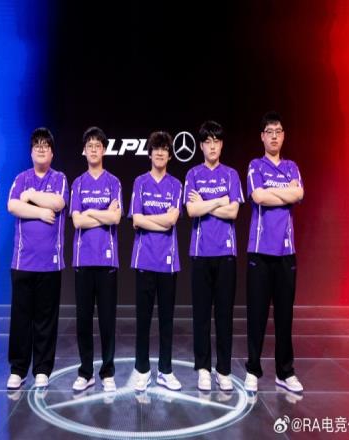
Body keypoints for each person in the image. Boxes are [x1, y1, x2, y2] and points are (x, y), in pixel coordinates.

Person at [243, 111, 304, 394]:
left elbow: (299, 194)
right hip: (259, 251)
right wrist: (285, 193)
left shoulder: (292, 167)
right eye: (270, 132)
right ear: (262, 137)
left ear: (284, 135)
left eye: (278, 131)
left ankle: (285, 372)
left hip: (286, 252)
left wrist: (274, 193)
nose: (274, 136)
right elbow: (258, 196)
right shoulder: (255, 165)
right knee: (256, 315)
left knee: (284, 315)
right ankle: (252, 370)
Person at [6, 127, 68, 389]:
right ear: (31, 152)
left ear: (52, 153)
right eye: (37, 145)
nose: (41, 149)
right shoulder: (21, 178)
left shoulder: (60, 178)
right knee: (21, 318)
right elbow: (12, 205)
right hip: (23, 261)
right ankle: (18, 369)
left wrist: (31, 197)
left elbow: (58, 203)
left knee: (46, 318)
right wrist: (40, 213)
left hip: (50, 262)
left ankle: (42, 369)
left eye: (46, 145)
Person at [184, 120, 244, 391]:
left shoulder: (231, 175)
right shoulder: (193, 174)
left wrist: (207, 204)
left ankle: (223, 370)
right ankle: (203, 369)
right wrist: (220, 200)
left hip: (226, 253)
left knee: (224, 314)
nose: (212, 146)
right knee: (201, 315)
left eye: (216, 142)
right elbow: (192, 211)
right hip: (200, 254)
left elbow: (233, 212)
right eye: (207, 142)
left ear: (221, 145)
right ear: (201, 146)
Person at [129, 131, 183, 392]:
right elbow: (136, 219)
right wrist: (160, 221)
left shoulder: (176, 185)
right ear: (149, 154)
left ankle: (165, 371)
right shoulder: (140, 182)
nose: (160, 153)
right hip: (144, 259)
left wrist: (151, 220)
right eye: (156, 149)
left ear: (169, 155)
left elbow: (172, 220)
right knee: (143, 319)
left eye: (164, 149)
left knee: (166, 320)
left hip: (168, 262)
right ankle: (142, 370)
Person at [70, 126, 122, 392]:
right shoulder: (77, 183)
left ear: (104, 150)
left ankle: (107, 372)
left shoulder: (114, 182)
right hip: (83, 260)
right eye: (89, 145)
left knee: (107, 320)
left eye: (97, 145)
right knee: (83, 320)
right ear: (84, 150)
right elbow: (77, 221)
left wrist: (89, 211)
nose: (93, 149)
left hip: (107, 262)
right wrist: (100, 212)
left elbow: (116, 218)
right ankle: (86, 372)